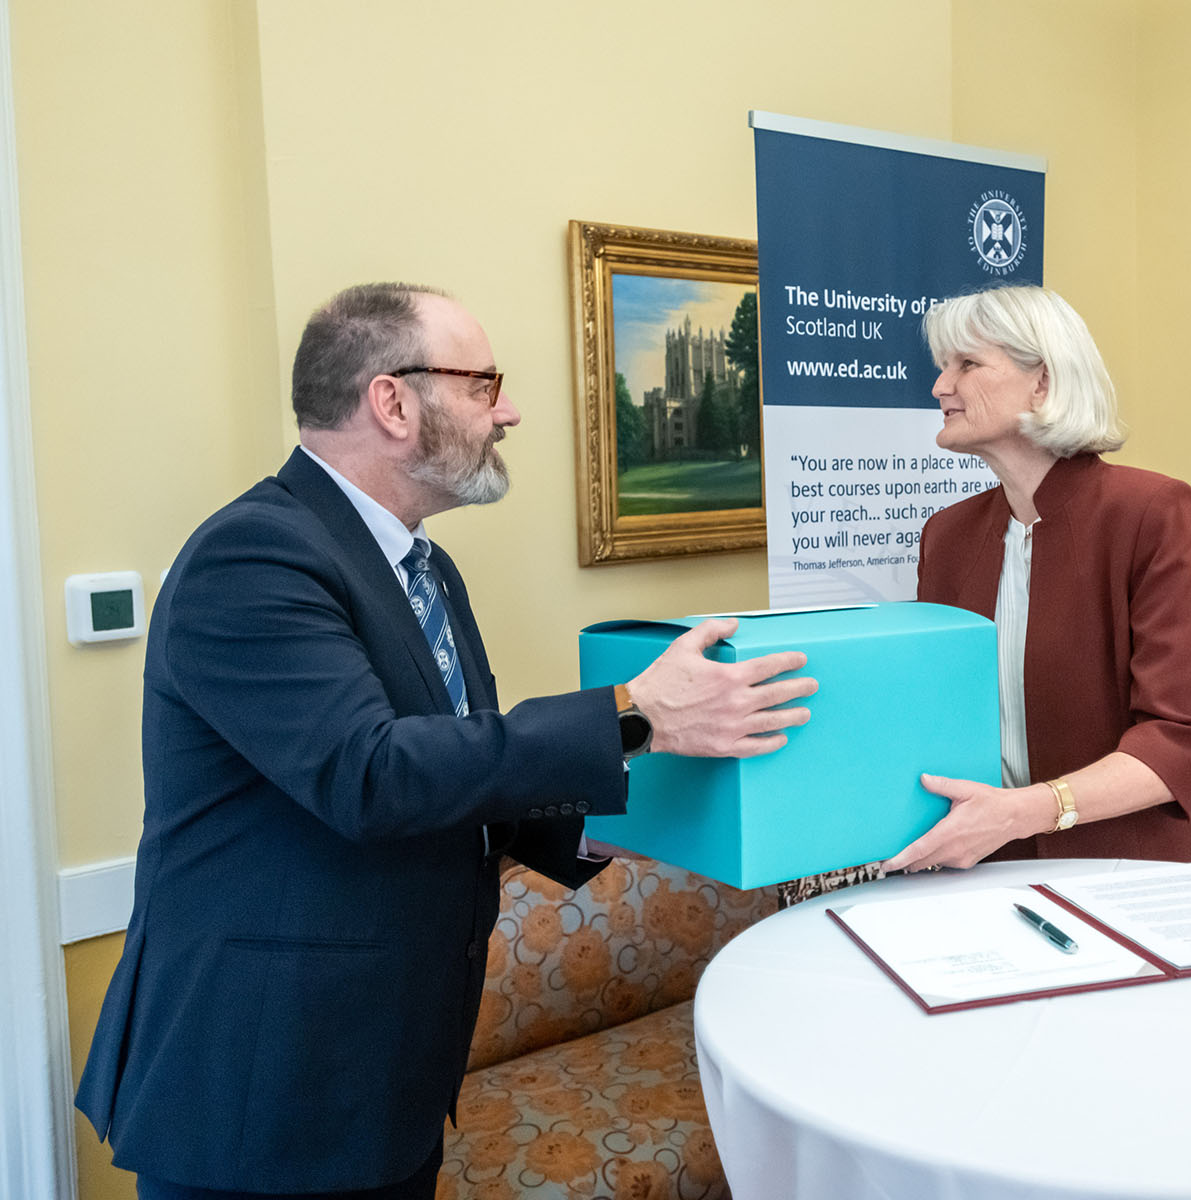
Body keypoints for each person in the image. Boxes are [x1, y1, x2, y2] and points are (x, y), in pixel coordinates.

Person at [74, 283, 816, 1199]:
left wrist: (614, 824)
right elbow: (372, 774)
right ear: (392, 402)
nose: (508, 411)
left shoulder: (425, 566)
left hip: (389, 1080)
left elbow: (460, 779)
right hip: (269, 1094)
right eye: (483, 384)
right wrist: (634, 711)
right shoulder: (254, 558)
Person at [885, 286, 1191, 873]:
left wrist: (1023, 811)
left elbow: (1179, 736)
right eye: (942, 367)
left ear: (1043, 382)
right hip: (990, 869)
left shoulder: (1152, 512)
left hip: (1144, 867)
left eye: (967, 364)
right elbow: (933, 714)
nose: (940, 386)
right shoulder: (947, 536)